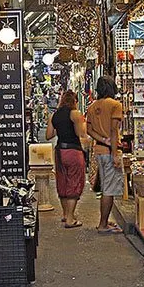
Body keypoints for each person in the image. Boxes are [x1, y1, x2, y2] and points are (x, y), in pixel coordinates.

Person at [86, 76, 124, 234]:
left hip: (99, 150)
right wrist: (114, 152)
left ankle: (105, 220)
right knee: (109, 189)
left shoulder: (92, 106)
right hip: (109, 152)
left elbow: (89, 130)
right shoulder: (115, 105)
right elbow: (114, 131)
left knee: (105, 188)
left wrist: (102, 140)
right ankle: (103, 225)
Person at [46, 90, 87, 228]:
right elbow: (79, 133)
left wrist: (61, 128)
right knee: (74, 182)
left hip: (59, 151)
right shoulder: (75, 113)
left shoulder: (54, 115)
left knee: (63, 182)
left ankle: (65, 214)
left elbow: (49, 135)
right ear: (74, 100)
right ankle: (70, 219)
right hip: (73, 150)